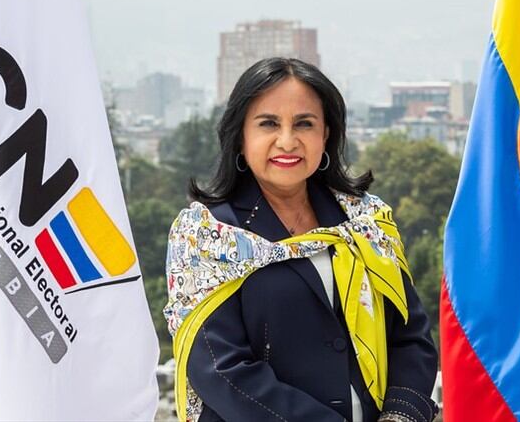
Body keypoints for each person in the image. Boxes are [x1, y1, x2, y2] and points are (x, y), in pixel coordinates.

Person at [164, 58, 438, 422]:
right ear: (240, 137)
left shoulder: (365, 222)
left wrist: (401, 415)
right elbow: (221, 370)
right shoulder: (205, 235)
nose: (288, 141)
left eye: (304, 124)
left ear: (326, 135)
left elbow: (410, 336)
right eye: (268, 124)